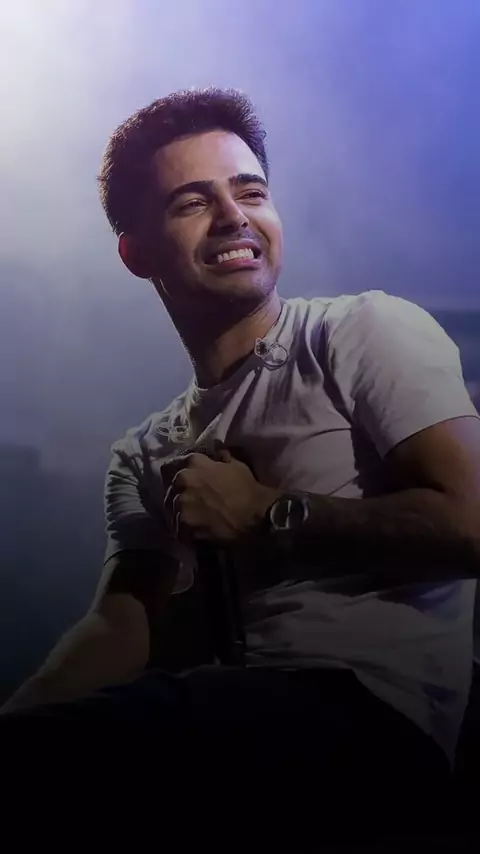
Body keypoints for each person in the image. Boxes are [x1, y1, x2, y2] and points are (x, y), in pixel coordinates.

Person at [2, 87, 480, 842]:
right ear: (135, 252)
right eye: (194, 202)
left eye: (251, 192)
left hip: (369, 724)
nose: (234, 217)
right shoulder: (144, 452)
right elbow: (120, 623)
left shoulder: (361, 331)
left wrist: (268, 512)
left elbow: (472, 524)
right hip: (226, 730)